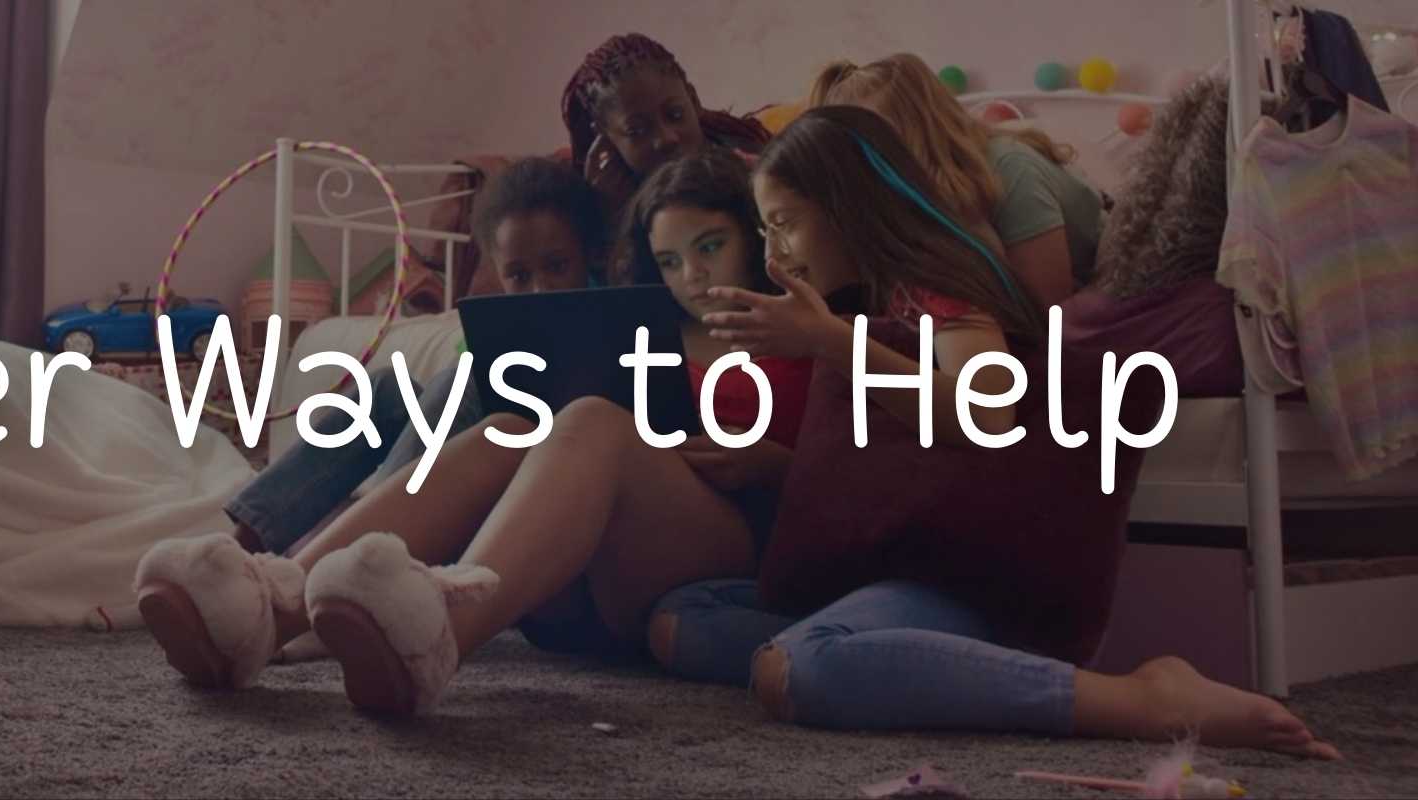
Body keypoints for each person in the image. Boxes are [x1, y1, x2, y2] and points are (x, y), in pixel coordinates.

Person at [652, 105, 1338, 760]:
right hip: (878, 572)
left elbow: (986, 412)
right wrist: (776, 461)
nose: (775, 252)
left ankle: (1135, 698)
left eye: (784, 225)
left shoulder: (938, 285)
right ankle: (893, 659)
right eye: (764, 229)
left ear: (845, 207)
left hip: (960, 580)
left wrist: (831, 342)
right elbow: (873, 466)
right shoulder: (860, 300)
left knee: (799, 669)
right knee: (680, 619)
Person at [132, 150, 801, 715]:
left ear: (755, 236)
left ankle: (439, 638)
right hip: (584, 573)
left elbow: (844, 477)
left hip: (719, 551)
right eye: (670, 260)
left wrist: (771, 461)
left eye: (711, 247)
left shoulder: (805, 329)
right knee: (508, 426)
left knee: (589, 420)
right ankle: (271, 609)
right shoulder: (647, 328)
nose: (693, 275)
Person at [222, 157, 606, 558]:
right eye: (519, 275)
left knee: (462, 381)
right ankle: (242, 544)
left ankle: (361, 549)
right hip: (469, 454)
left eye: (557, 266)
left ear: (588, 255)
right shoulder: (499, 323)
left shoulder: (606, 311)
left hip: (534, 458)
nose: (539, 289)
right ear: (497, 271)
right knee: (386, 387)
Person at [808, 53, 1103, 307]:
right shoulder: (897, 195)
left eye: (877, 143)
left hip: (1103, 290)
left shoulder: (1008, 170)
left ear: (927, 124)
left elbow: (1048, 309)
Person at [561, 33, 772, 284]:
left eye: (675, 115)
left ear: (693, 100)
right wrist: (613, 218)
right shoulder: (600, 207)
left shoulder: (754, 173)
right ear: (604, 138)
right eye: (637, 131)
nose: (666, 138)